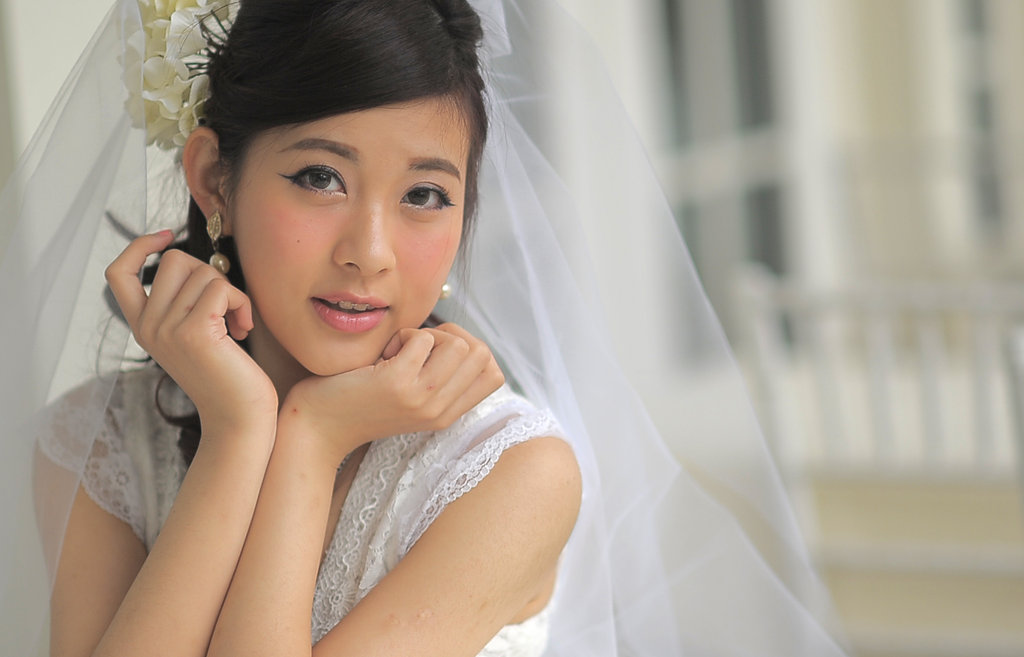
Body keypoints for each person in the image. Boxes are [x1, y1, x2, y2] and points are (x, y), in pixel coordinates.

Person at [0, 0, 851, 655]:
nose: (370, 253)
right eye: (321, 177)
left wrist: (308, 437)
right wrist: (239, 432)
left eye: (424, 194)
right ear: (215, 179)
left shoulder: (510, 474)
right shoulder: (97, 446)